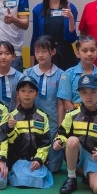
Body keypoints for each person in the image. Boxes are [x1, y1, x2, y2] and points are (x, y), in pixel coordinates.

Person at [55, 73, 97, 194]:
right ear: (79, 94)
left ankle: (87, 172)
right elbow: (62, 133)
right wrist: (59, 141)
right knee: (72, 140)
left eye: (93, 92)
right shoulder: (71, 115)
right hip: (77, 154)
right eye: (84, 92)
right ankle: (71, 177)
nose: (88, 96)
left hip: (93, 157)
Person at [6, 76, 54, 189]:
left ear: (36, 94)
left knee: (40, 179)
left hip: (36, 161)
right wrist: (10, 129)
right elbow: (10, 143)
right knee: (22, 180)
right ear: (18, 94)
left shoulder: (42, 117)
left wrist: (39, 159)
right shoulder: (11, 116)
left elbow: (46, 143)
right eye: (23, 91)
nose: (27, 94)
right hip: (18, 161)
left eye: (31, 91)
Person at [24, 36, 63, 168]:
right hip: (32, 120)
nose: (40, 55)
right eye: (37, 51)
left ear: (53, 51)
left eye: (44, 51)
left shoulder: (61, 75)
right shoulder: (28, 73)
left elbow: (60, 103)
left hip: (52, 122)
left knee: (53, 167)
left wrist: (60, 128)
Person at [31, 0, 79, 69]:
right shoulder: (38, 9)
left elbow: (72, 39)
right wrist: (32, 62)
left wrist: (70, 19)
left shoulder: (70, 8)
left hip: (65, 55)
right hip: (44, 54)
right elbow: (35, 37)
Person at [0, 40, 23, 106]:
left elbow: (20, 100)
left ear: (14, 56)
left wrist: (15, 112)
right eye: (0, 53)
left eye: (7, 53)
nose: (3, 57)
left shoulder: (20, 77)